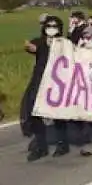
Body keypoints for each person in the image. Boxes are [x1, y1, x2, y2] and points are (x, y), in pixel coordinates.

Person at [20, 16, 69, 161]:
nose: (51, 28)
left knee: (58, 114)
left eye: (54, 26)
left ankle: (62, 144)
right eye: (49, 25)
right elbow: (32, 48)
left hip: (58, 81)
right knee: (35, 112)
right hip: (39, 80)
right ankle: (41, 146)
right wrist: (29, 47)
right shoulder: (39, 41)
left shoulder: (64, 43)